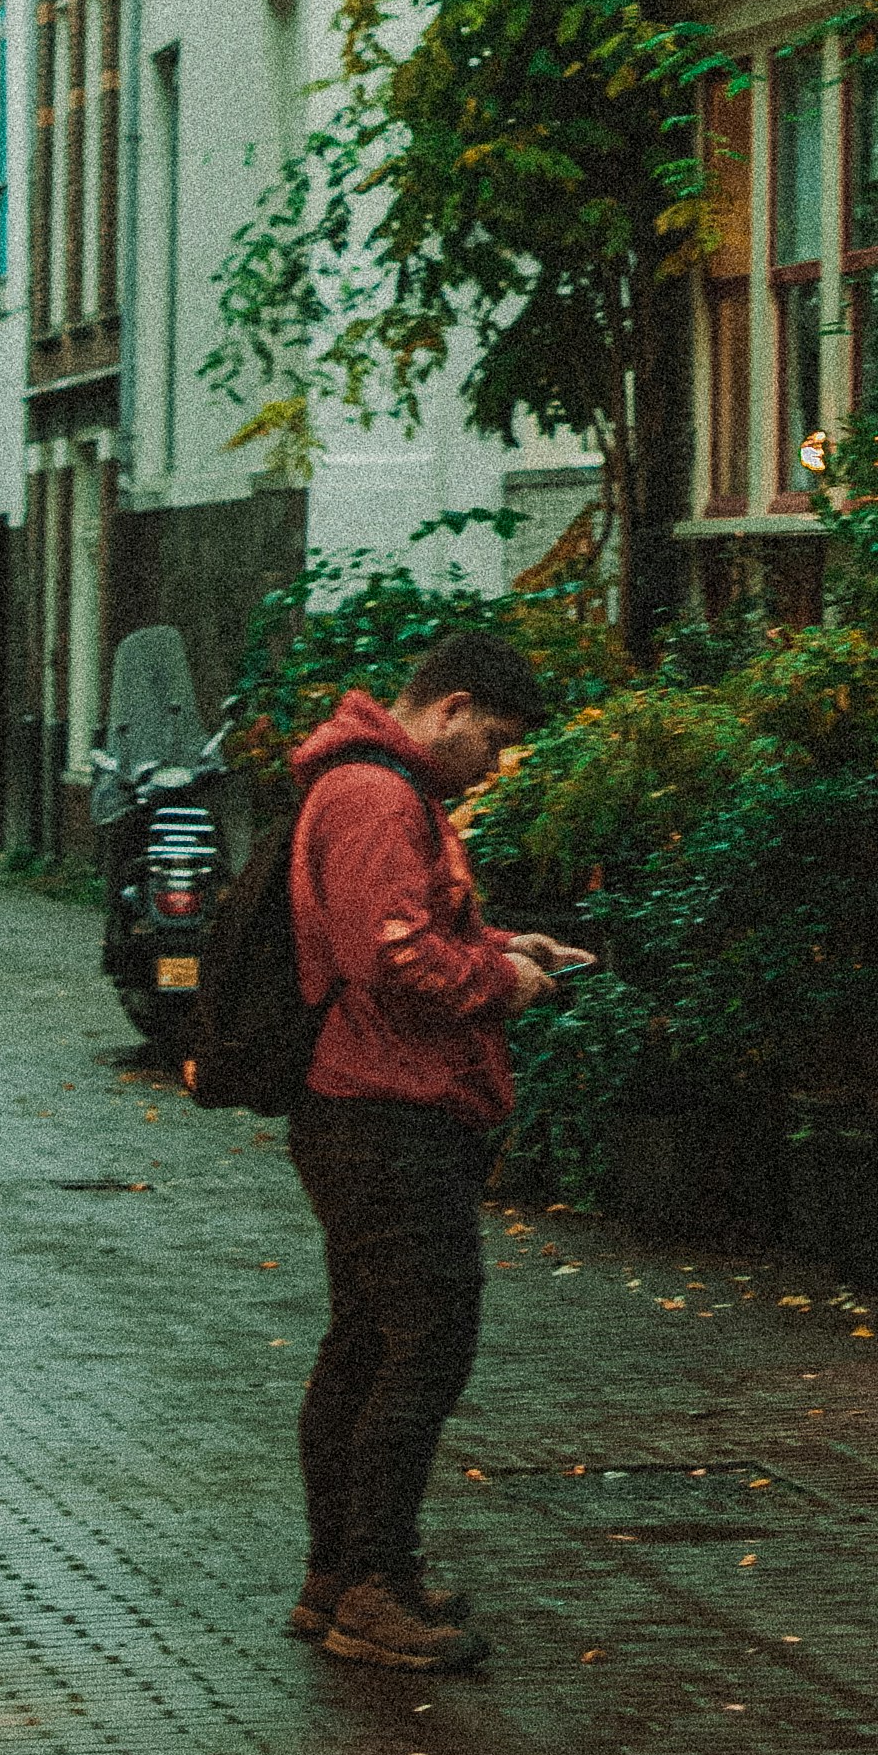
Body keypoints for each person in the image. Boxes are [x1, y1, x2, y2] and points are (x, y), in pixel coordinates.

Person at [282, 622, 588, 1669]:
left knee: (367, 1343)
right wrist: (502, 980)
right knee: (424, 1345)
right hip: (388, 1108)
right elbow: (393, 957)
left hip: (364, 1104)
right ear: (450, 708)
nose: (493, 766)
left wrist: (502, 942)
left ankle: (341, 1576)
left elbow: (394, 928)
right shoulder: (377, 795)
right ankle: (373, 1586)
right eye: (493, 740)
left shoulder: (363, 784)